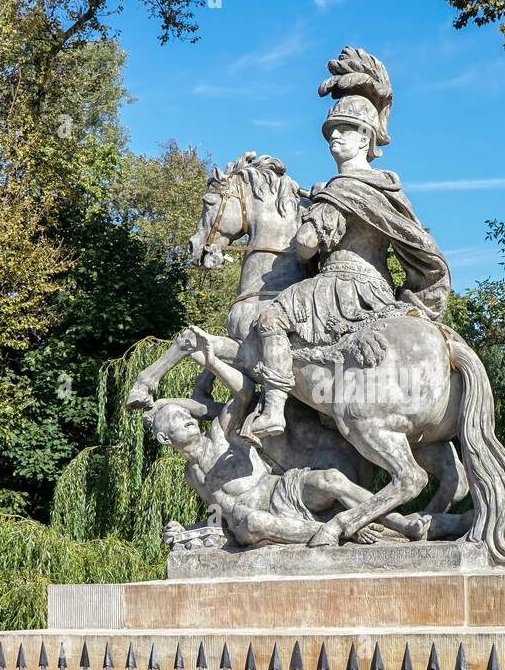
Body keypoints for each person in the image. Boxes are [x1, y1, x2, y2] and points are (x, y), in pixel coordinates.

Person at [243, 50, 451, 443]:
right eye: (331, 131)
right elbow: (417, 246)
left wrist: (307, 221)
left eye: (344, 129)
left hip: (342, 287)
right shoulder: (389, 188)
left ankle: (271, 410)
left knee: (270, 320)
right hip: (379, 293)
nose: (334, 136)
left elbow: (306, 247)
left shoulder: (343, 190)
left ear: (366, 137)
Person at [149, 330, 429, 546]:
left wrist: (212, 363)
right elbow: (219, 513)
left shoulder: (218, 435)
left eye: (183, 413)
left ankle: (400, 523)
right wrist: (188, 530)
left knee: (329, 478)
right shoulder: (192, 473)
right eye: (175, 418)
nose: (185, 417)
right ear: (164, 438)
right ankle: (340, 531)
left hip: (279, 489)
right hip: (251, 518)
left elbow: (243, 392)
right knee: (251, 520)